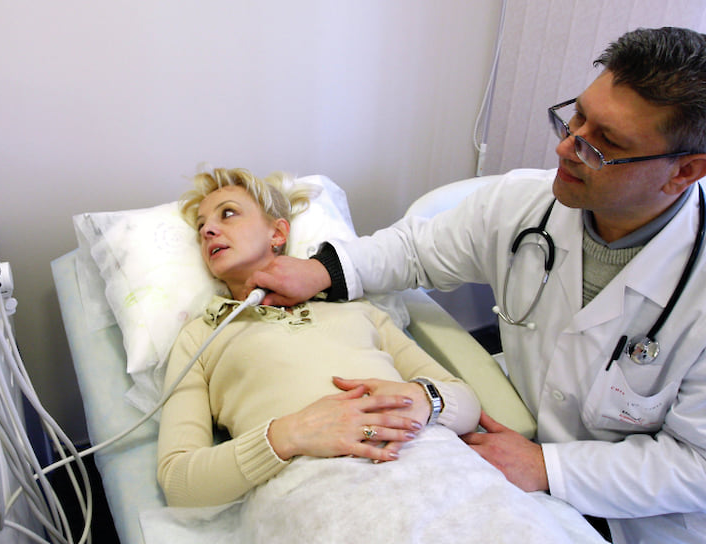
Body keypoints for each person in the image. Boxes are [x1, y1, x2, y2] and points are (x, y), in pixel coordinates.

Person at [247, 27, 706, 544]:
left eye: (606, 144)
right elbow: (416, 251)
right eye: (576, 118)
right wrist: (324, 271)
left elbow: (696, 464)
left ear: (685, 171)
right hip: (513, 453)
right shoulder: (525, 205)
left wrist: (548, 467)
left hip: (645, 520)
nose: (566, 147)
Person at [152, 168, 604, 543]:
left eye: (228, 213)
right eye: (201, 227)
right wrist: (288, 434)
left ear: (278, 233)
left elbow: (464, 403)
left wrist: (426, 400)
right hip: (314, 491)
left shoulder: (357, 311)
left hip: (435, 463)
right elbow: (179, 481)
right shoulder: (202, 337)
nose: (208, 230)